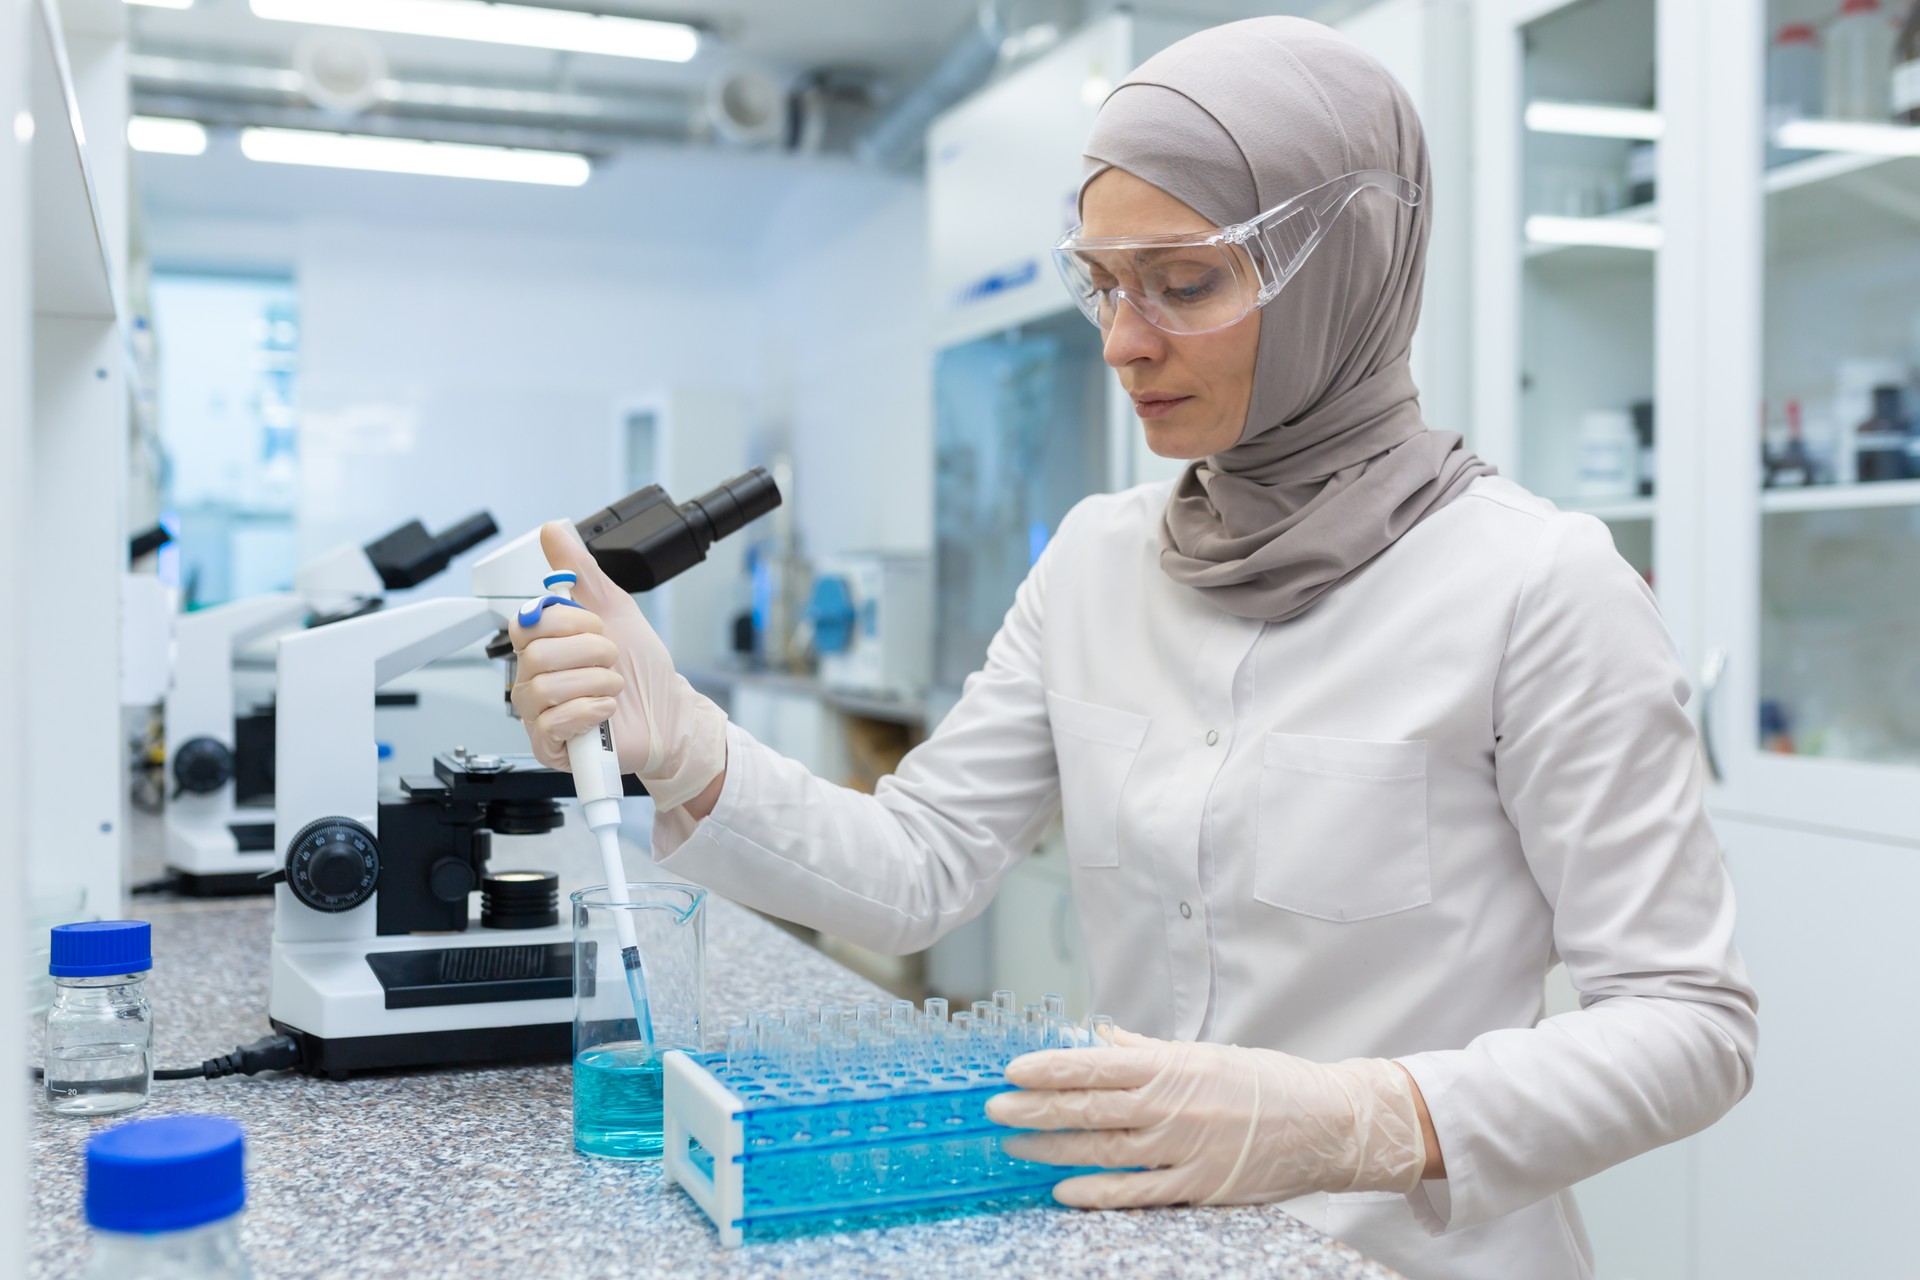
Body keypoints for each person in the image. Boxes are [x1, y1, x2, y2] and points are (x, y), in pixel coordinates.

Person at [509, 17, 1756, 1279]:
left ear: (1345, 260)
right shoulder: (1097, 561)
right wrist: (690, 748)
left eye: (1185, 280)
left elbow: (1689, 1023)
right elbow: (919, 866)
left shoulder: (1537, 583)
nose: (1121, 340)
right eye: (1103, 281)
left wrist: (1360, 1119)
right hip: (1131, 1246)